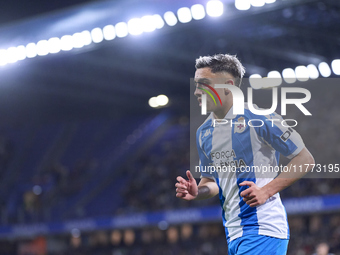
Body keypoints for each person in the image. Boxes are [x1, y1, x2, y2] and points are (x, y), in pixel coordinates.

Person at [175, 54, 315, 255]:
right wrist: (199, 191)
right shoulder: (204, 132)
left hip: (264, 229)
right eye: (196, 85)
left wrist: (266, 190)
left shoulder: (260, 117)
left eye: (203, 84)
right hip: (233, 234)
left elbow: (305, 159)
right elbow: (211, 182)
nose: (197, 91)